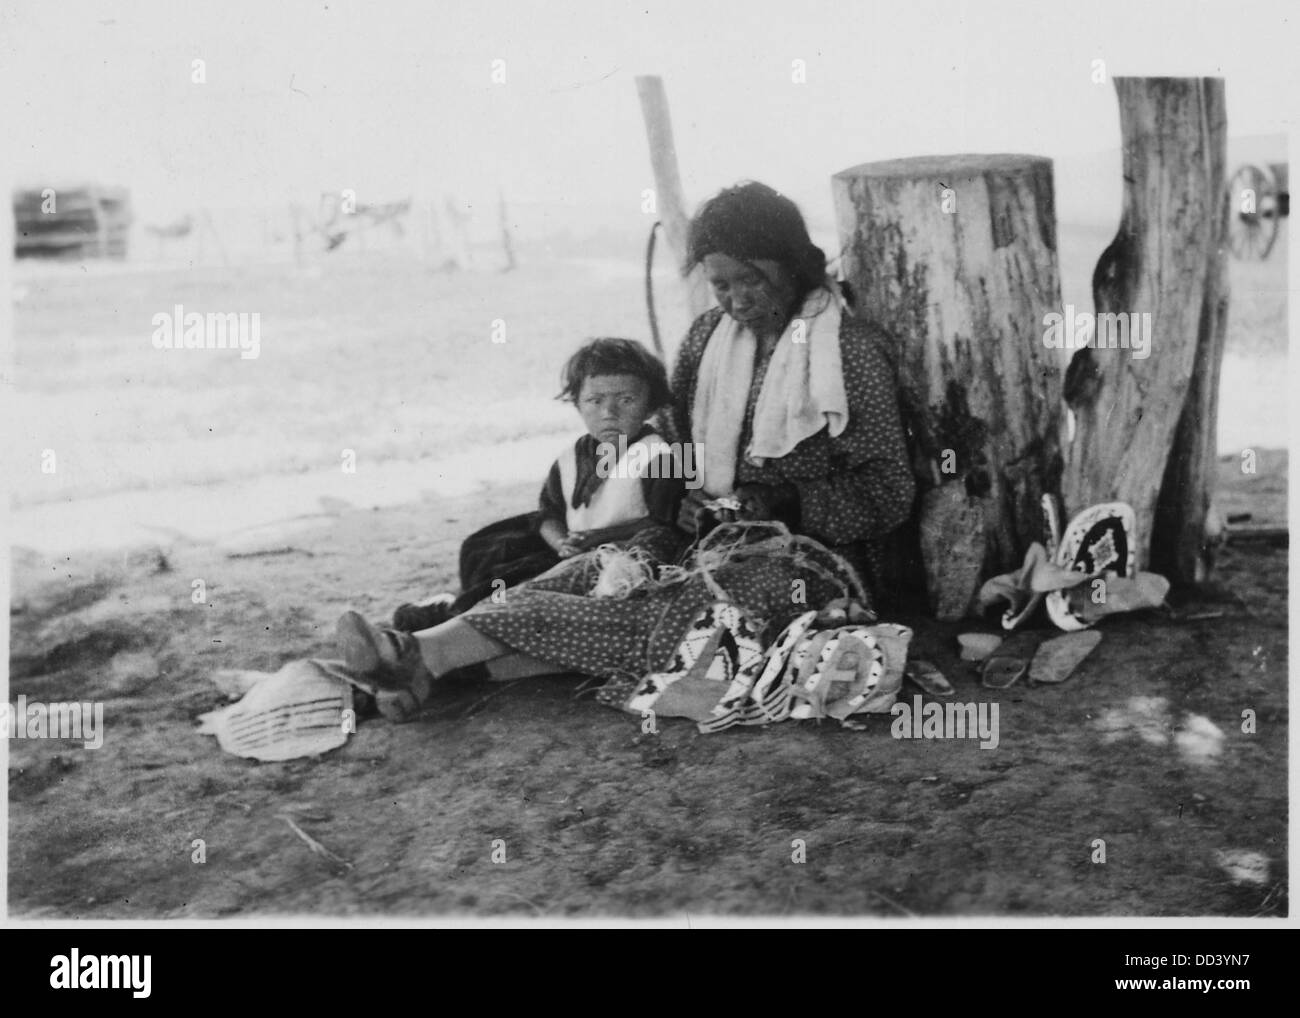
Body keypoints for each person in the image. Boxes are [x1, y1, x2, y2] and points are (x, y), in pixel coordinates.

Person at [335, 181, 915, 721]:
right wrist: (682, 495)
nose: (735, 300)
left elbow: (889, 490)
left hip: (803, 560)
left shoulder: (849, 353)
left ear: (791, 263)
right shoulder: (708, 339)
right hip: (704, 536)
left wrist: (783, 500)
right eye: (720, 284)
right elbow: (674, 436)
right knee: (596, 570)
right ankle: (423, 661)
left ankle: (422, 658)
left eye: (751, 280)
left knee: (661, 616)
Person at [391, 337, 688, 631]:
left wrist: (596, 538)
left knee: (524, 577)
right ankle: (461, 604)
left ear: (650, 406)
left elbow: (662, 524)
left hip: (616, 556)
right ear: (577, 404)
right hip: (569, 546)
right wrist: (560, 542)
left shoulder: (656, 456)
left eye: (626, 400)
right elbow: (548, 513)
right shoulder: (571, 458)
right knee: (486, 547)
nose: (609, 413)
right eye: (595, 401)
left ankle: (456, 617)